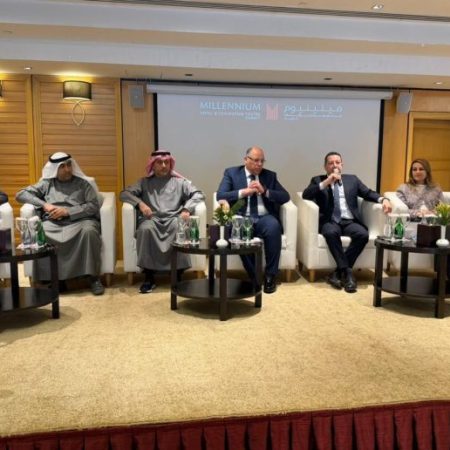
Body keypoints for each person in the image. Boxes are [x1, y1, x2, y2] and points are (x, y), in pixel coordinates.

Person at [16, 152, 104, 295]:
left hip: (80, 221)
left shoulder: (83, 184)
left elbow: (93, 206)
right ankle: (55, 279)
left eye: (69, 165)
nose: (67, 169)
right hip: (53, 223)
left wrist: (67, 211)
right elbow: (21, 194)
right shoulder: (46, 184)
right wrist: (44, 204)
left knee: (90, 231)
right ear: (54, 169)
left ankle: (93, 278)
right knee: (41, 232)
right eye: (62, 167)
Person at [303, 151, 392, 293]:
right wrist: (326, 182)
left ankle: (338, 272)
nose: (334, 165)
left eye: (337, 162)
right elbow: (306, 195)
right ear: (325, 166)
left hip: (350, 220)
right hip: (330, 221)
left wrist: (384, 199)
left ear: (342, 165)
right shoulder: (317, 180)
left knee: (362, 234)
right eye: (331, 163)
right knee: (330, 233)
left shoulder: (352, 179)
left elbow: (368, 193)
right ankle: (348, 274)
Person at [120, 150, 205, 294]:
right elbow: (124, 193)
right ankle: (149, 277)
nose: (164, 165)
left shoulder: (180, 182)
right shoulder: (144, 182)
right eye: (160, 162)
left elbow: (199, 194)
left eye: (167, 162)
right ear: (153, 165)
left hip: (174, 218)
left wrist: (186, 209)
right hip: (152, 219)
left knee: (180, 227)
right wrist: (140, 204)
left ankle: (178, 274)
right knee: (145, 229)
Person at [217, 146, 290, 294]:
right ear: (246, 160)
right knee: (239, 230)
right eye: (256, 160)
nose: (259, 164)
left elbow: (285, 196)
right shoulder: (232, 173)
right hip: (242, 217)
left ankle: (270, 276)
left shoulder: (269, 176)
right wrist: (244, 192)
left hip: (264, 218)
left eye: (262, 161)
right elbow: (221, 195)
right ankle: (255, 276)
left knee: (273, 226)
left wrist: (265, 191)